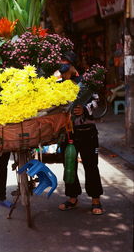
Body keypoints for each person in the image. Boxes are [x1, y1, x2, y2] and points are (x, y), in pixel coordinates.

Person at [55, 51, 104, 215]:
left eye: (65, 67)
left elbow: (97, 101)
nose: (62, 72)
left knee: (91, 165)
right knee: (69, 165)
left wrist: (84, 108)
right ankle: (72, 198)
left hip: (86, 131)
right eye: (60, 68)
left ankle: (96, 199)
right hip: (67, 132)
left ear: (72, 65)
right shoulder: (58, 84)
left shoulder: (87, 82)